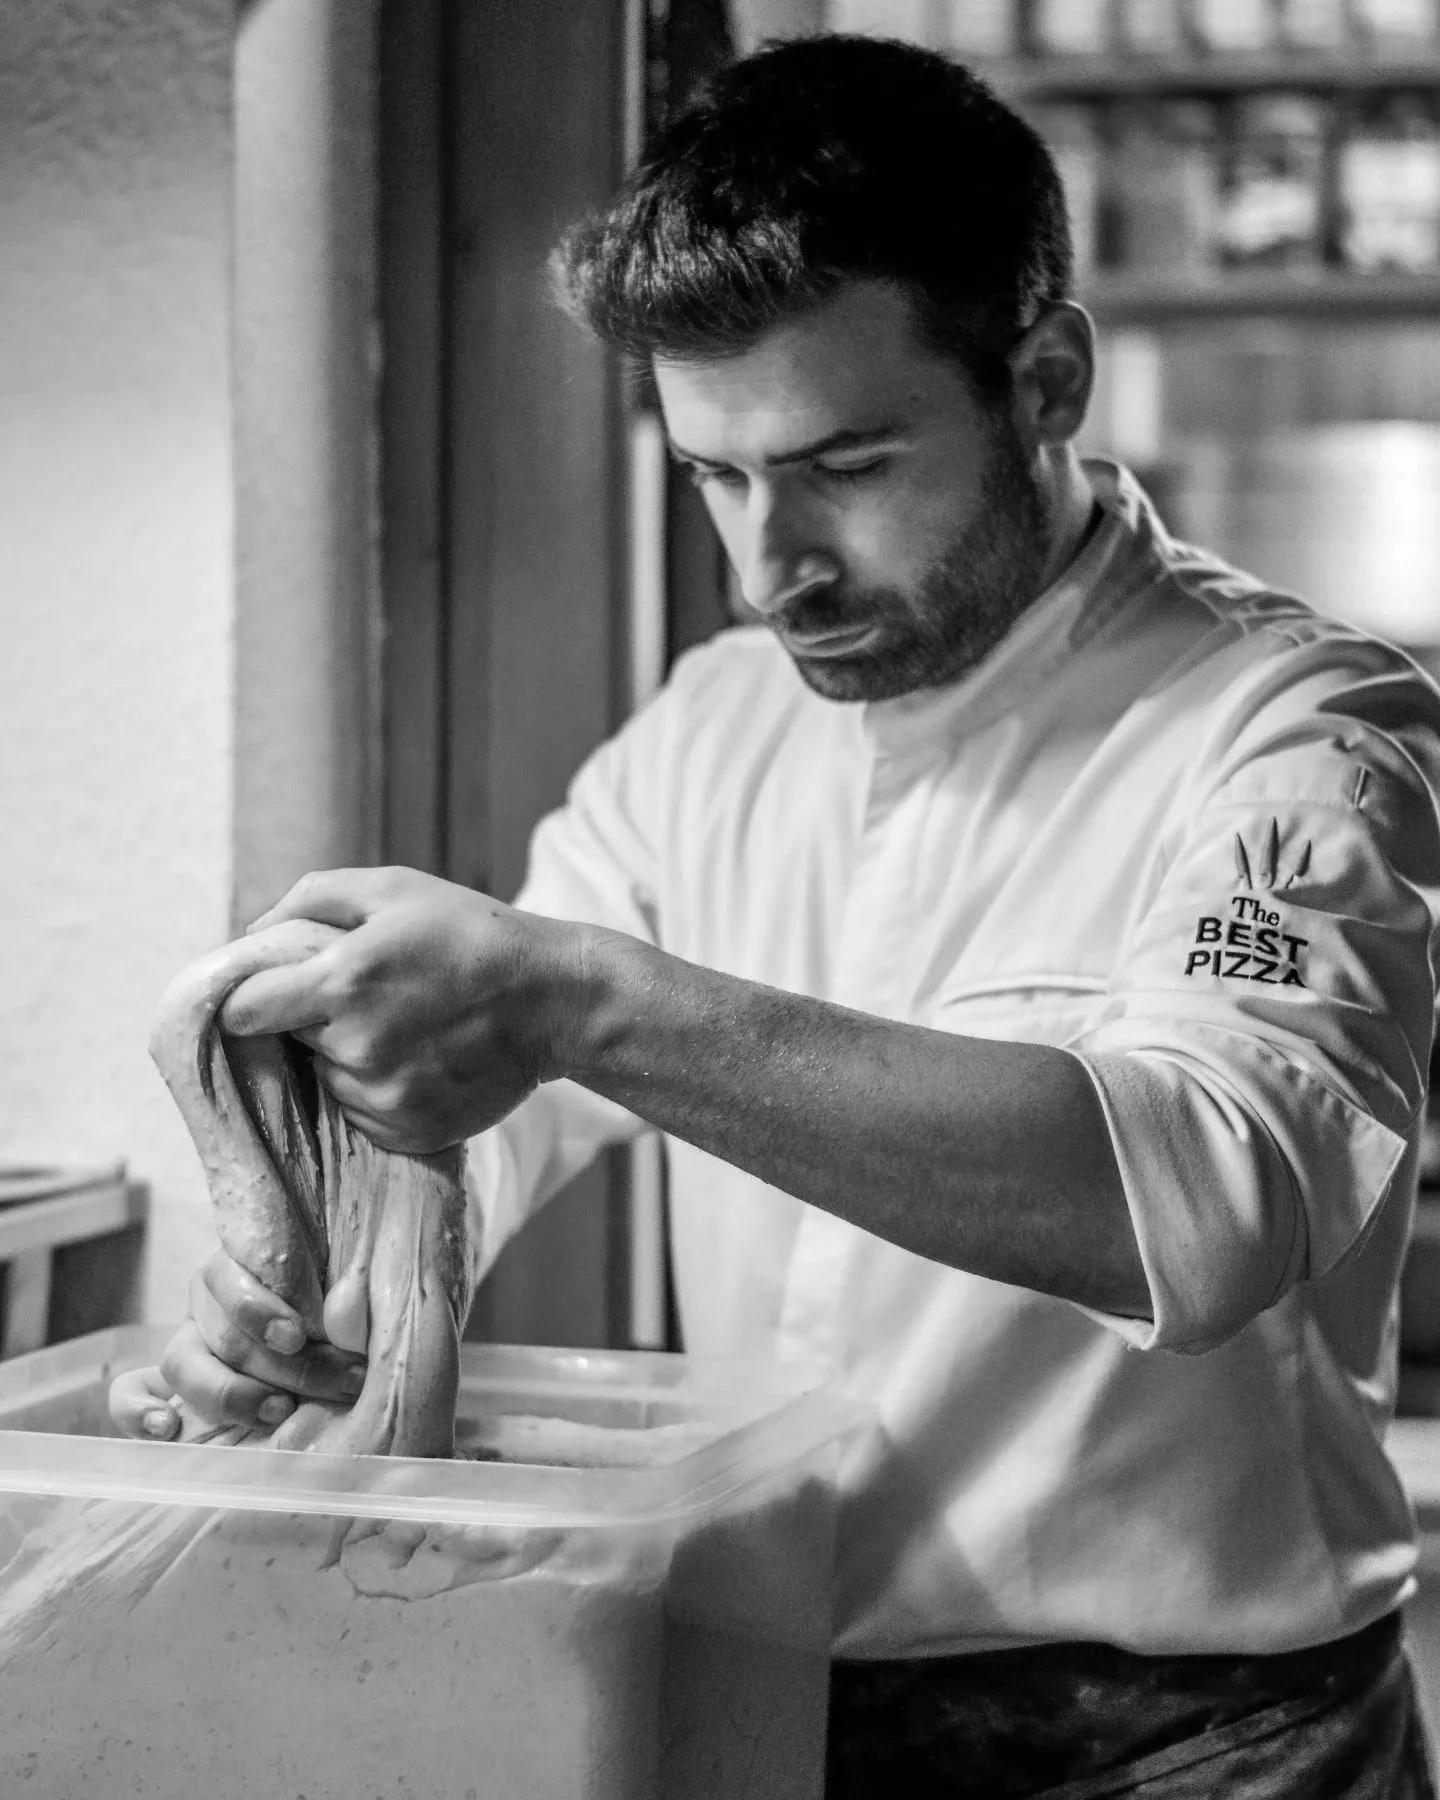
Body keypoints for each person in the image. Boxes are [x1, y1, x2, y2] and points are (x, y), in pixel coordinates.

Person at [113, 35, 1440, 1798]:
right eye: (716, 478)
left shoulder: (1297, 732)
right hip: (759, 1705)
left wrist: (579, 999)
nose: (769, 565)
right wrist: (302, 1303)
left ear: (1046, 379)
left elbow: (1207, 1198)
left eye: (848, 465)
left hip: (1201, 1746)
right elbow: (495, 1101)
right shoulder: (712, 728)